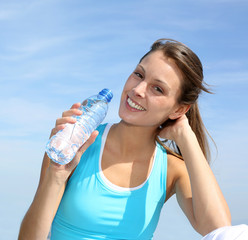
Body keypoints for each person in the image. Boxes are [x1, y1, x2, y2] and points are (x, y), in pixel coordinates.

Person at [18, 39, 240, 239]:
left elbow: (220, 231)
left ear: (179, 109)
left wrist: (186, 137)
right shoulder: (77, 143)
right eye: (139, 75)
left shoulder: (171, 169)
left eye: (158, 89)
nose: (138, 90)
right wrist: (56, 175)